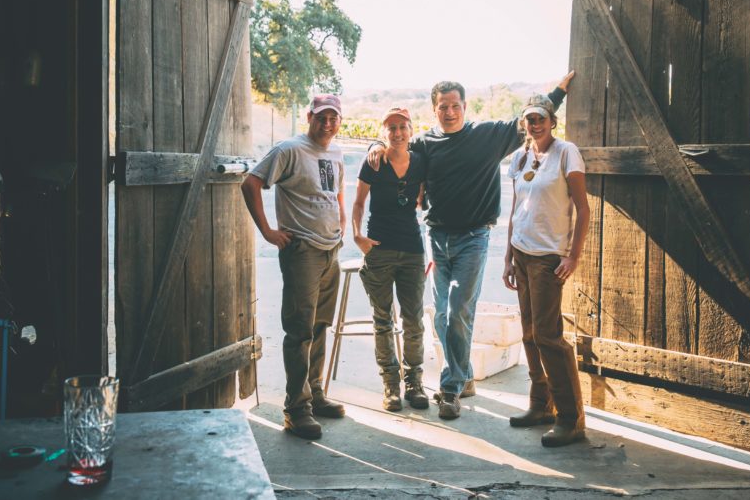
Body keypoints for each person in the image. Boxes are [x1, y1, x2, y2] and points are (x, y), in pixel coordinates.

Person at [368, 71, 574, 420]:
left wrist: (559, 91)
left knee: (459, 311)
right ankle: (463, 376)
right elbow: (395, 144)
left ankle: (450, 389)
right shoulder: (425, 144)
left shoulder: (487, 136)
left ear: (465, 106)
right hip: (437, 237)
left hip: (474, 238)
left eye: (455, 106)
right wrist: (376, 145)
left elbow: (528, 118)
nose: (449, 112)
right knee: (442, 315)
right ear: (434, 110)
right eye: (442, 107)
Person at [241, 94, 348, 440]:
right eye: (321, 117)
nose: (327, 124)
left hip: (331, 250)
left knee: (320, 326)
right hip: (303, 251)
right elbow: (250, 183)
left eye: (333, 118)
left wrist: (341, 222)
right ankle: (296, 410)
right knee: (300, 330)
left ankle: (314, 394)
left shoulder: (335, 152)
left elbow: (336, 192)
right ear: (309, 117)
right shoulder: (289, 150)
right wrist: (268, 231)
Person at [502, 93, 589, 447]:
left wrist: (572, 256)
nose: (535, 124)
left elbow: (583, 210)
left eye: (541, 118)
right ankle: (541, 405)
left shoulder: (566, 153)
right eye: (530, 119)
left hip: (547, 257)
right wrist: (508, 258)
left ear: (552, 121)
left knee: (548, 336)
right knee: (528, 333)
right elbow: (516, 210)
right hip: (522, 254)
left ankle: (571, 419)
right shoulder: (521, 157)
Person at [351, 107, 429, 412]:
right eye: (391, 128)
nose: (397, 133)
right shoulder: (374, 162)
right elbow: (359, 203)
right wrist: (357, 236)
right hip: (379, 248)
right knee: (383, 319)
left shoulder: (420, 161)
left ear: (411, 130)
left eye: (402, 127)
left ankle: (415, 382)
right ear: (384, 132)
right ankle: (390, 385)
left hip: (412, 249)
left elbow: (424, 198)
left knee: (414, 321)